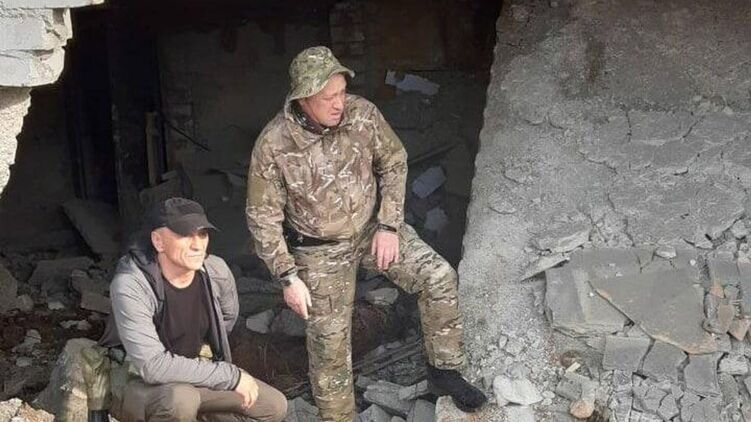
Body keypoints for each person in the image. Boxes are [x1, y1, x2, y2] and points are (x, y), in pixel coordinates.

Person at [246, 46, 487, 421]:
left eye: (341, 92)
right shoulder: (274, 145)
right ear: (303, 98)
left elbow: (394, 161)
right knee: (329, 346)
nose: (339, 103)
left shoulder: (362, 114)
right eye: (328, 97)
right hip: (318, 251)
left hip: (373, 231)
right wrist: (287, 276)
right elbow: (262, 216)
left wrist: (389, 224)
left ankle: (444, 371)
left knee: (438, 276)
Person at [99, 197, 287, 422]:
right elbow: (152, 366)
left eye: (203, 234)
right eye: (185, 235)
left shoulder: (216, 272)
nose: (197, 245)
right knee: (182, 400)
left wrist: (207, 370)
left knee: (273, 405)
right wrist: (230, 376)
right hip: (137, 383)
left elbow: (227, 319)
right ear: (158, 241)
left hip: (192, 376)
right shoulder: (131, 284)